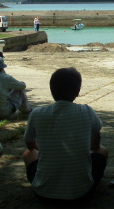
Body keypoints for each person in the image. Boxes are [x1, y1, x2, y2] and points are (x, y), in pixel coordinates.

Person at [23, 67, 108, 204]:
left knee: (28, 153)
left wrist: (48, 151)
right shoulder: (87, 111)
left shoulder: (37, 113)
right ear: (78, 91)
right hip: (82, 194)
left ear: (51, 90)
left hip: (43, 194)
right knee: (102, 150)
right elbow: (95, 145)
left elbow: (30, 144)